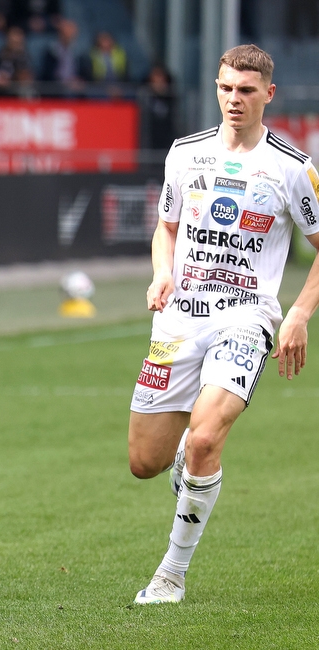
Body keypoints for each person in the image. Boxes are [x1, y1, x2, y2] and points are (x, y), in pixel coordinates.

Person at [129, 44, 319, 605]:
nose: (234, 100)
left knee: (208, 439)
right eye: (225, 88)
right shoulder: (185, 154)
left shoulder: (293, 167)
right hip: (178, 321)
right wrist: (162, 273)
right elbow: (166, 227)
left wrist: (299, 314)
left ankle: (170, 574)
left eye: (245, 90)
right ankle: (187, 460)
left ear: (268, 94)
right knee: (145, 463)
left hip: (247, 317)